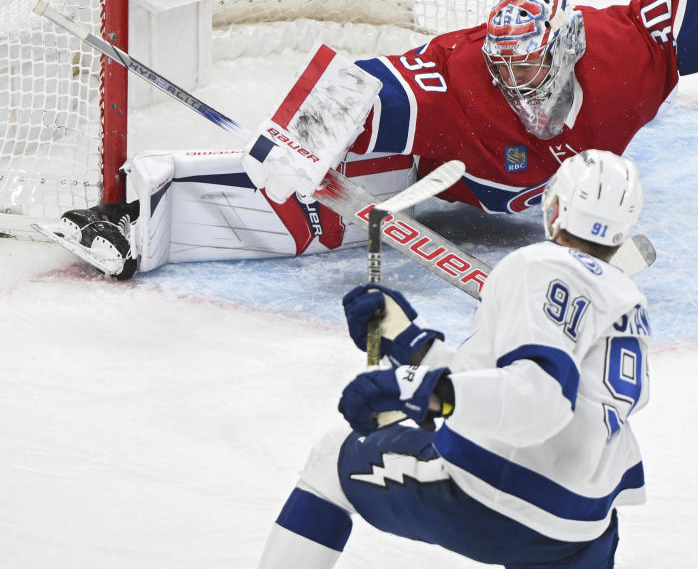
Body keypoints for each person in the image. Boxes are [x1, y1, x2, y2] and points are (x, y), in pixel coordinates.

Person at [53, 0, 698, 279]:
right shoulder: (457, 80)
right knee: (316, 203)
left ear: (565, 49)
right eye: (502, 64)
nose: (510, 79)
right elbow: (360, 85)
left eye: (527, 67)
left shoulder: (623, 56)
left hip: (554, 192)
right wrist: (300, 140)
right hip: (454, 170)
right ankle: (138, 220)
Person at [257, 150, 651, 568]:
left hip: (502, 495)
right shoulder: (629, 302)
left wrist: (419, 390)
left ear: (555, 208)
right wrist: (413, 345)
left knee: (331, 459)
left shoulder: (541, 265)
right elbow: (507, 389)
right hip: (582, 525)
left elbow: (537, 400)